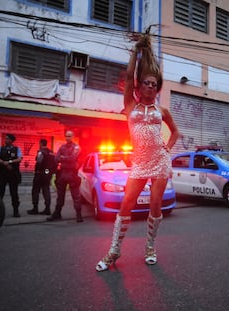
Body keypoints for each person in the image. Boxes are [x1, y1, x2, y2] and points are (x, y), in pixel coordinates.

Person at [95, 32, 179, 272]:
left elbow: (175, 133)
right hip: (140, 163)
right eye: (147, 83)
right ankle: (114, 251)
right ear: (140, 86)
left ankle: (150, 248)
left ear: (157, 88)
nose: (150, 86)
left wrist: (168, 147)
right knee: (126, 205)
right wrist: (136, 53)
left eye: (154, 84)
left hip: (160, 161)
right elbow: (130, 77)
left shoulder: (162, 110)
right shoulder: (130, 105)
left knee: (155, 206)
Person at [47, 130, 83, 223]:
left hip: (72, 174)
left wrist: (63, 158)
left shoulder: (76, 147)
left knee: (76, 196)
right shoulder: (62, 147)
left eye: (69, 136)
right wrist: (64, 158)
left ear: (73, 137)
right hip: (63, 174)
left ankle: (79, 215)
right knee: (60, 196)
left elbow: (73, 158)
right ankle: (57, 213)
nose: (68, 138)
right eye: (66, 136)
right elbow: (56, 158)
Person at [0, 134, 23, 217]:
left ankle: (16, 211)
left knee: (14, 193)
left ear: (11, 140)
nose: (5, 140)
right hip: (3, 173)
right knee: (0, 192)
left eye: (7, 139)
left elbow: (19, 158)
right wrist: (3, 163)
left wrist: (10, 162)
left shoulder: (17, 149)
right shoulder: (1, 148)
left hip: (13, 174)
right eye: (5, 139)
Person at [27, 139, 56, 215]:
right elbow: (55, 162)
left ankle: (35, 209)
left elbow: (39, 161)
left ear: (40, 143)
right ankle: (47, 209)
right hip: (48, 174)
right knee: (46, 190)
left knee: (35, 191)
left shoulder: (41, 152)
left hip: (40, 174)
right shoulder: (51, 152)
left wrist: (37, 171)